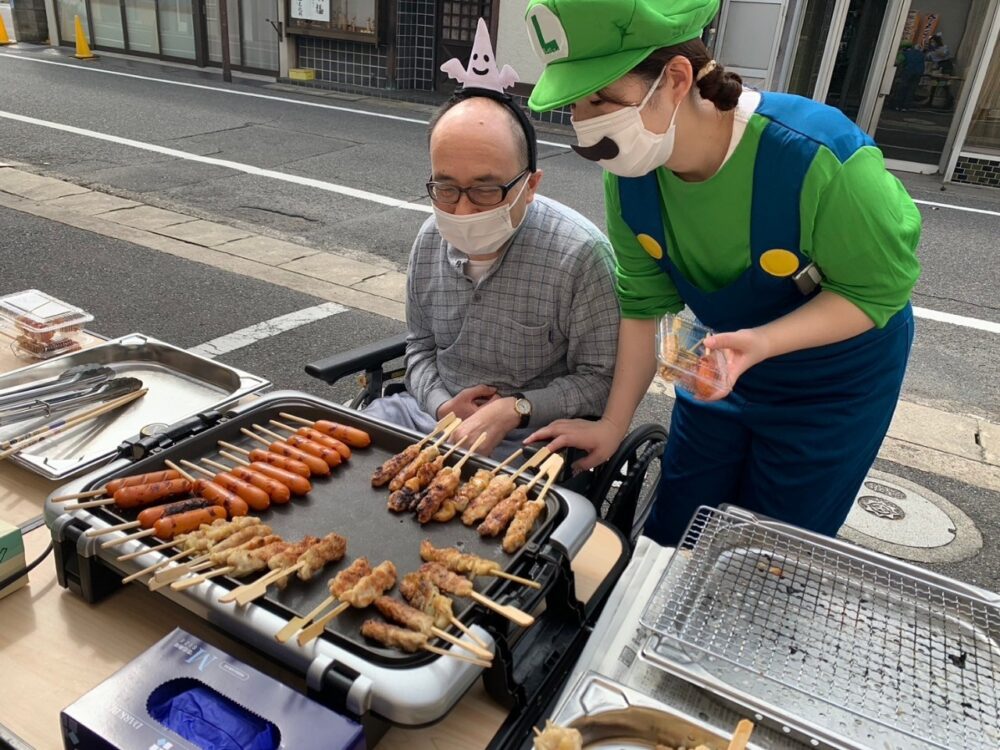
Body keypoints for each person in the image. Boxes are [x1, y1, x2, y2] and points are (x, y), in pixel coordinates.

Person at [522, 0, 921, 545]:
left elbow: (876, 290)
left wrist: (763, 342)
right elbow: (642, 304)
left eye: (602, 100)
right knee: (677, 527)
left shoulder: (818, 157)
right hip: (719, 362)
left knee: (770, 548)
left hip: (831, 382)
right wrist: (613, 425)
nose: (586, 125)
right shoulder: (632, 174)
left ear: (676, 79)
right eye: (574, 105)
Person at [364, 20, 619, 458]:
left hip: (527, 435)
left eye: (486, 190)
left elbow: (600, 378)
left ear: (531, 185)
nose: (462, 211)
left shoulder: (580, 256)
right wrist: (442, 405)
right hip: (429, 413)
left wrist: (517, 408)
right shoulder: (429, 239)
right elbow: (419, 347)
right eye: (446, 188)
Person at [890, 40, 927, 111]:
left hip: (908, 71)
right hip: (918, 73)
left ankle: (897, 105)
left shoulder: (905, 53)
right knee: (911, 90)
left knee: (902, 88)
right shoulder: (921, 54)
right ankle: (905, 107)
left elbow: (897, 62)